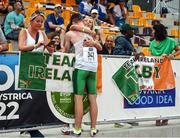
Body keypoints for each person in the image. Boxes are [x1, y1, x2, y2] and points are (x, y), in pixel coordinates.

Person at [64, 13, 102, 136]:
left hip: (81, 68)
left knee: (78, 98)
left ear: (73, 22)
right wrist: (94, 42)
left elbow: (65, 50)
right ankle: (93, 128)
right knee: (92, 98)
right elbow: (100, 47)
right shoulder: (90, 34)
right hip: (93, 68)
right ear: (82, 21)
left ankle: (77, 128)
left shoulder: (71, 32)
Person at [149, 24, 180, 126]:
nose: (152, 32)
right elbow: (150, 56)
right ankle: (157, 117)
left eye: (153, 31)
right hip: (155, 71)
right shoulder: (152, 43)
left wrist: (172, 55)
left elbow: (178, 50)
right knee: (156, 93)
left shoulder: (170, 41)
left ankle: (166, 116)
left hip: (166, 71)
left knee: (166, 93)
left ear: (158, 31)